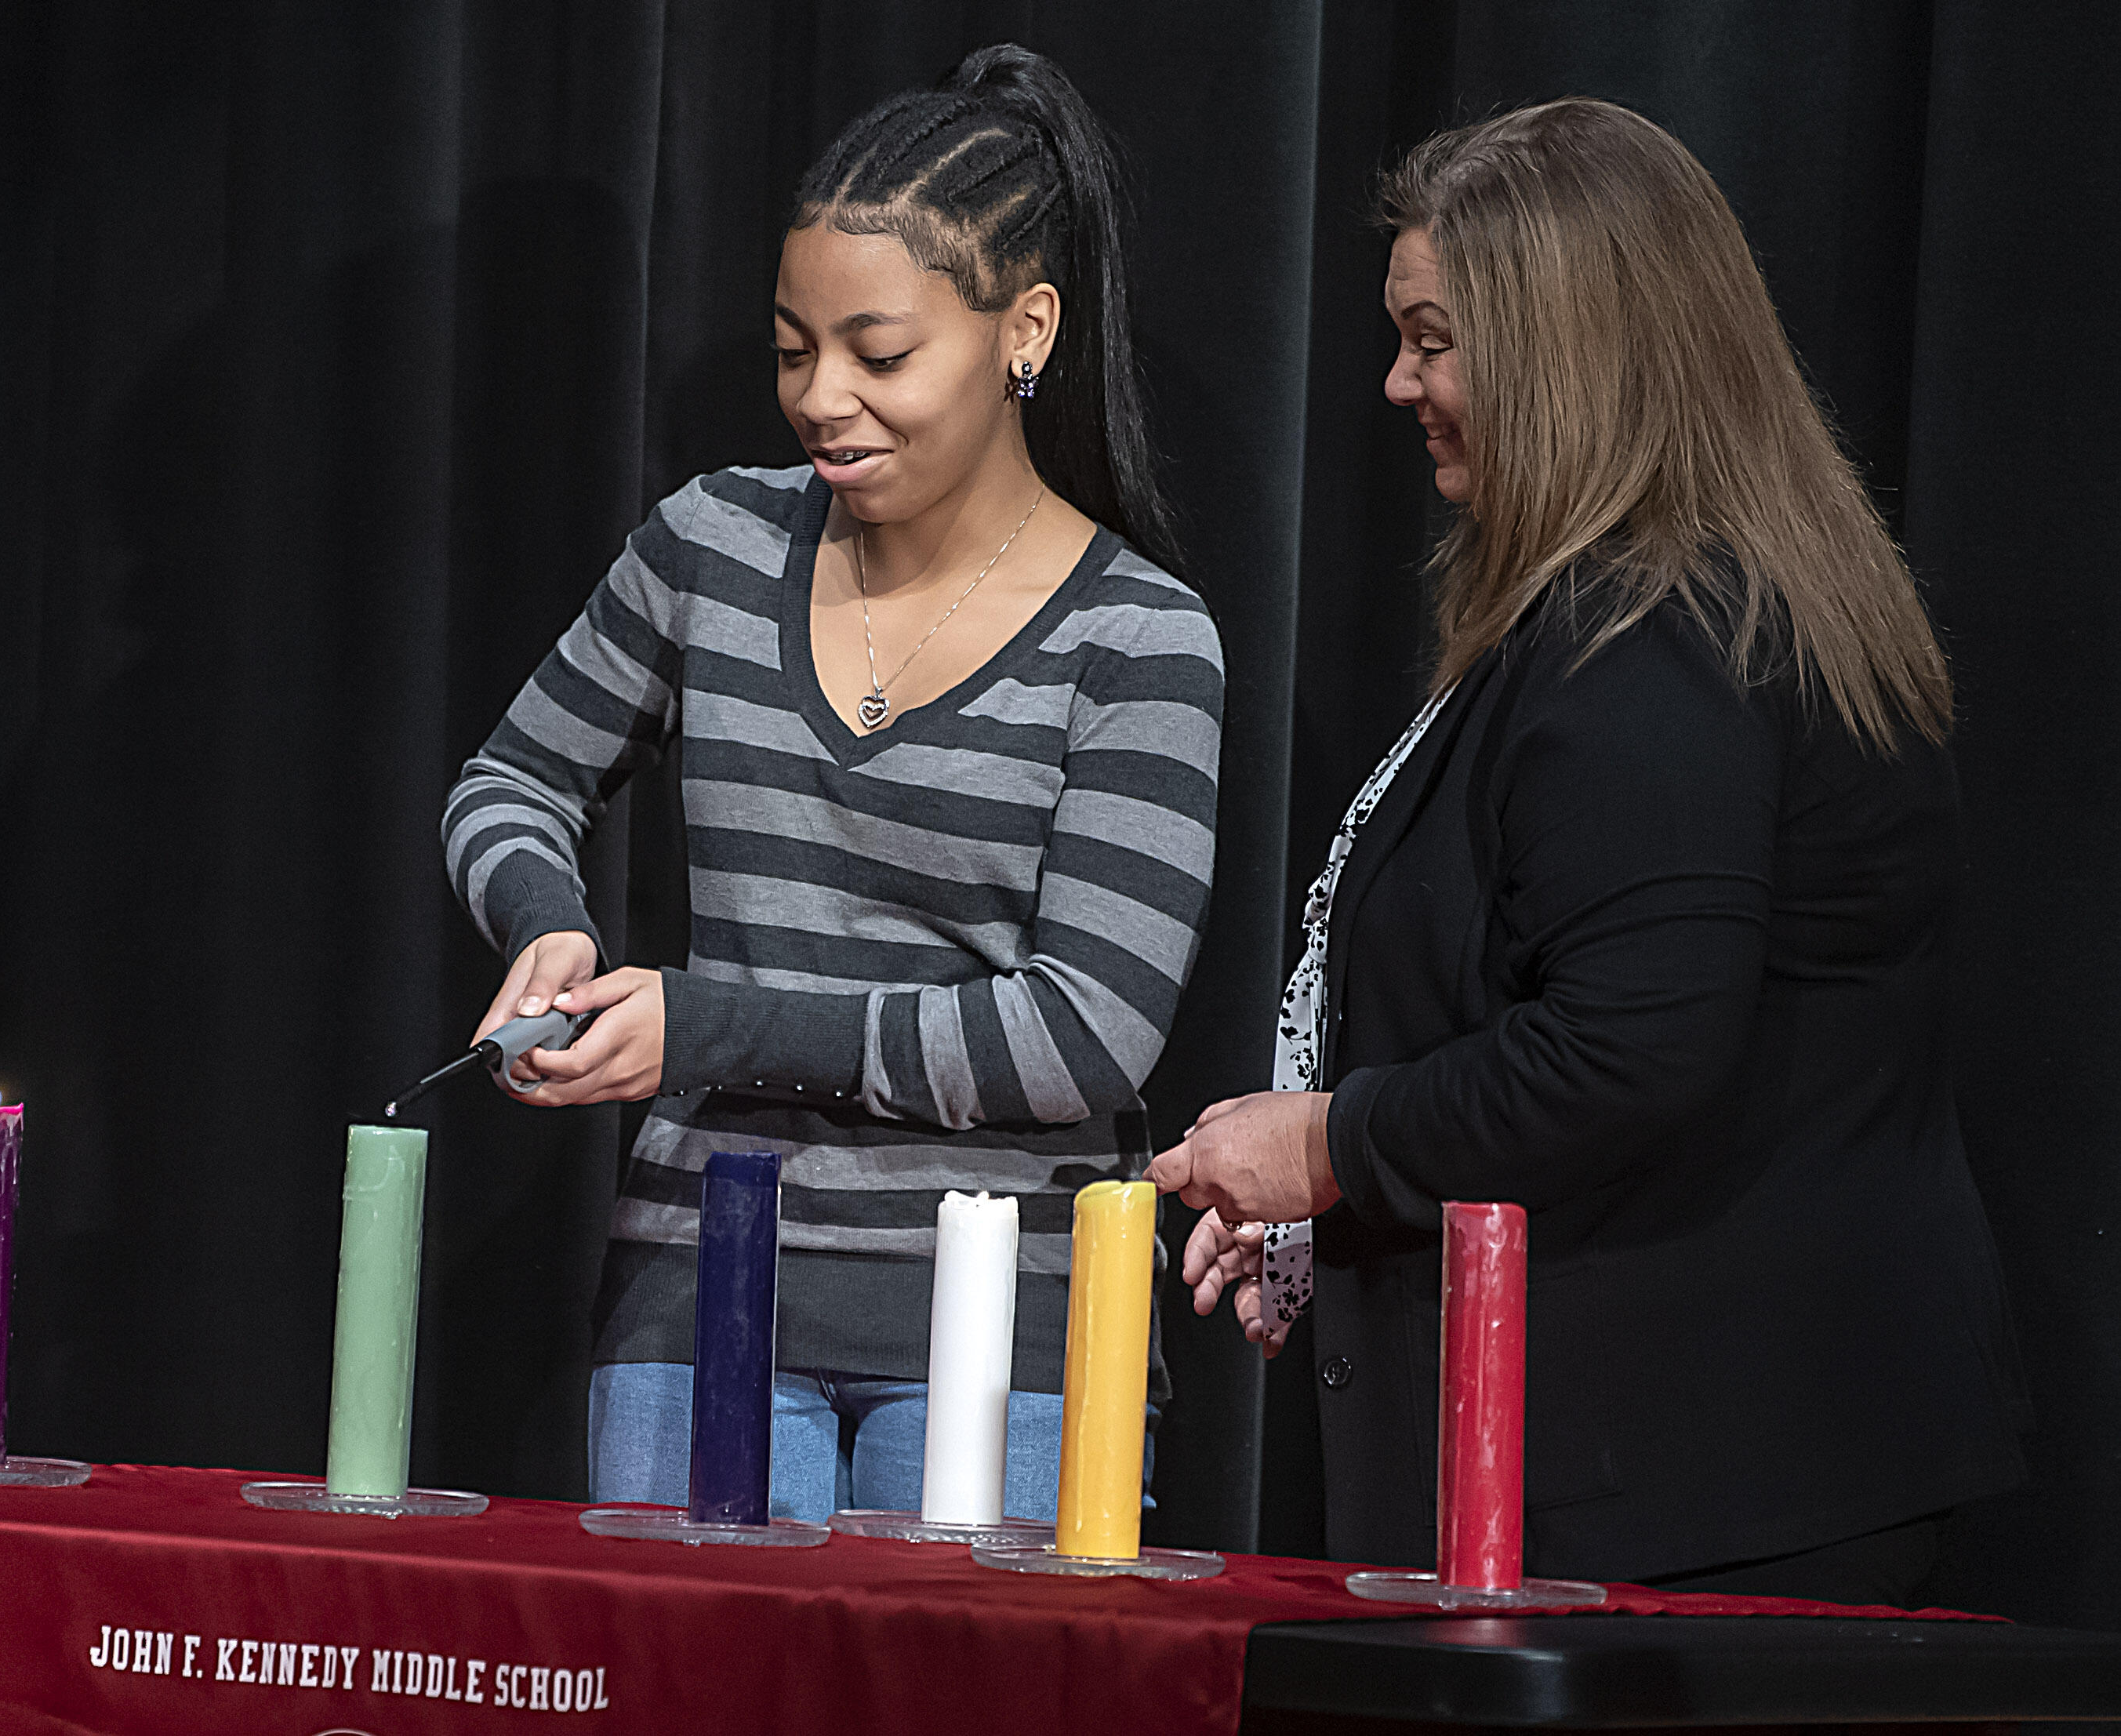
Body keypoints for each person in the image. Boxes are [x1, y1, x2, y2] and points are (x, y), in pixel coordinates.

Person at [1150, 97, 2027, 1603]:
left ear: (1561, 353)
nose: (1398, 383)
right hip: (1712, 1466)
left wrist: (1330, 1146)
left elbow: (1631, 1045)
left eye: (1433, 341)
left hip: (1704, 1497)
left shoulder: (1656, 641)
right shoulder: (1675, 607)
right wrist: (1338, 1185)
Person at [440, 45, 1223, 1524]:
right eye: (794, 348)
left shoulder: (1139, 637)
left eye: (879, 353)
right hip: (699, 1299)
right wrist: (547, 921)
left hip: (1009, 1338)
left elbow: (1086, 1032)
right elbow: (511, 779)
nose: (821, 397)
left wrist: (710, 1024)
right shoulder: (713, 549)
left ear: (1025, 330)